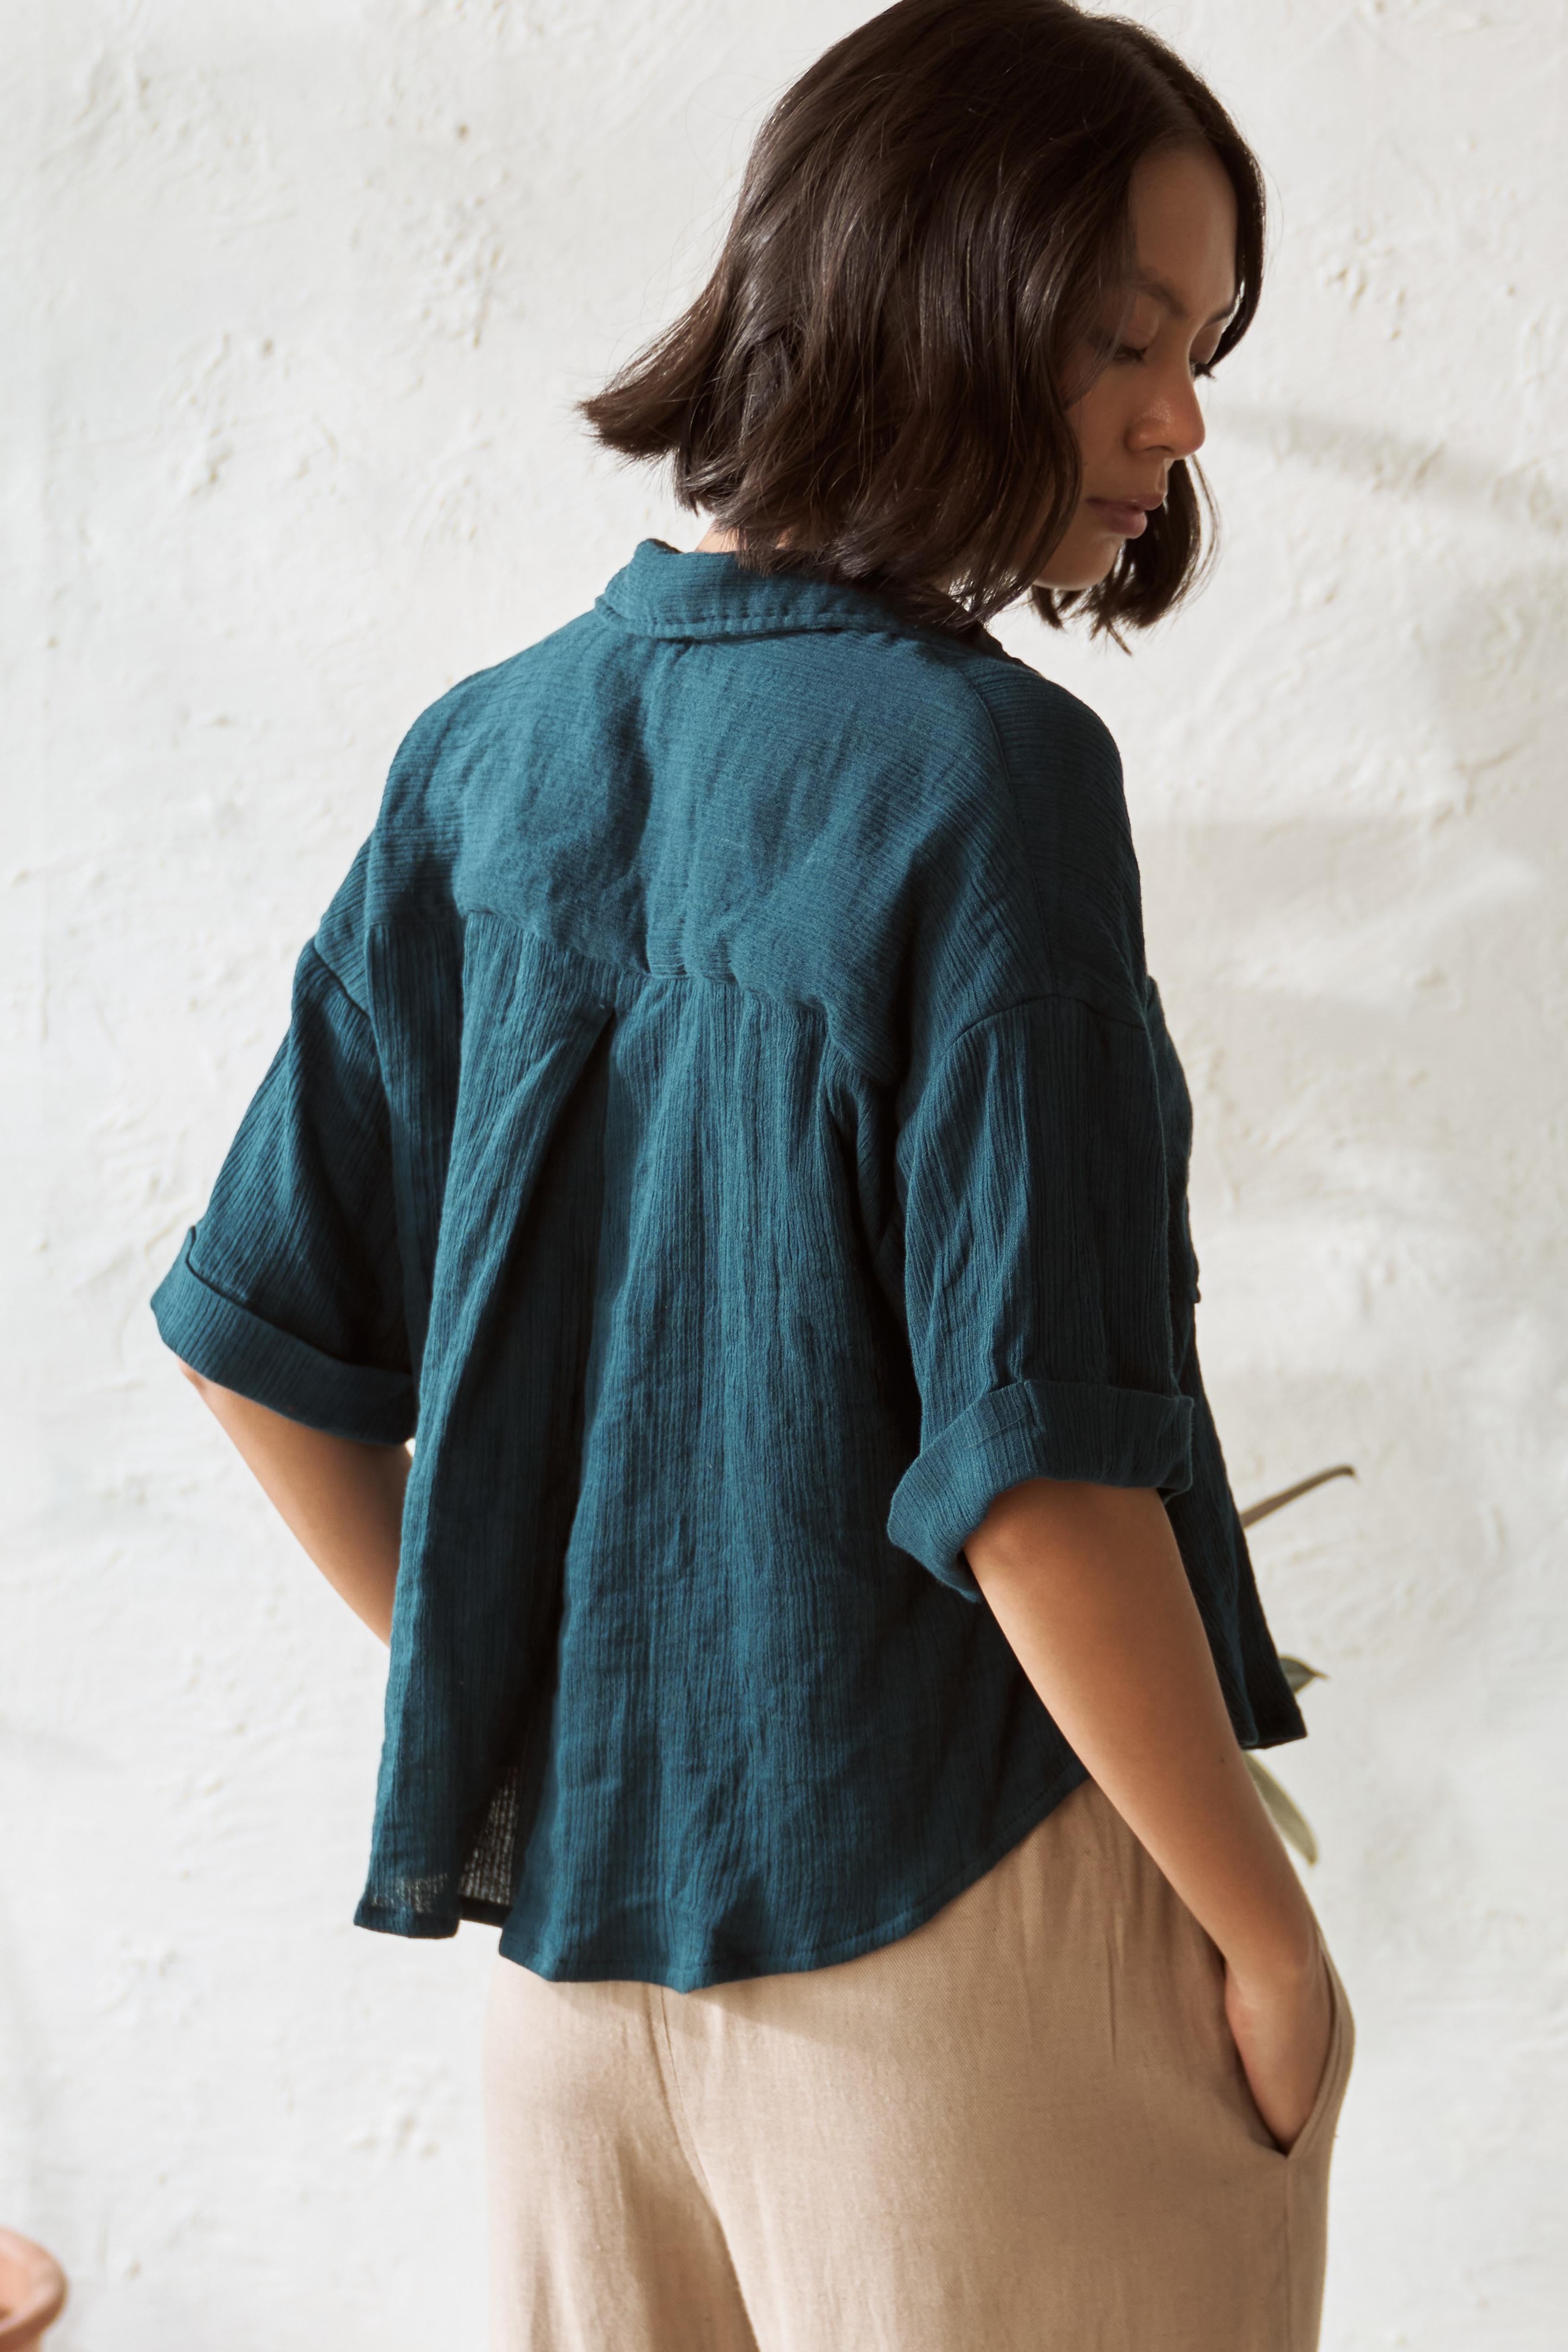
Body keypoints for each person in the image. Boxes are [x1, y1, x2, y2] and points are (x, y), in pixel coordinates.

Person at [150, 2, 1355, 2345]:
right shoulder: (983, 775)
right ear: (937, 292)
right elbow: (1036, 1473)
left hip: (572, 1998)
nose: (1182, 420)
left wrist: (551, 1725)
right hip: (975, 1947)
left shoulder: (489, 753)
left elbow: (257, 1342)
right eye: (1128, 338)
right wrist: (1272, 1937)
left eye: (1200, 350)